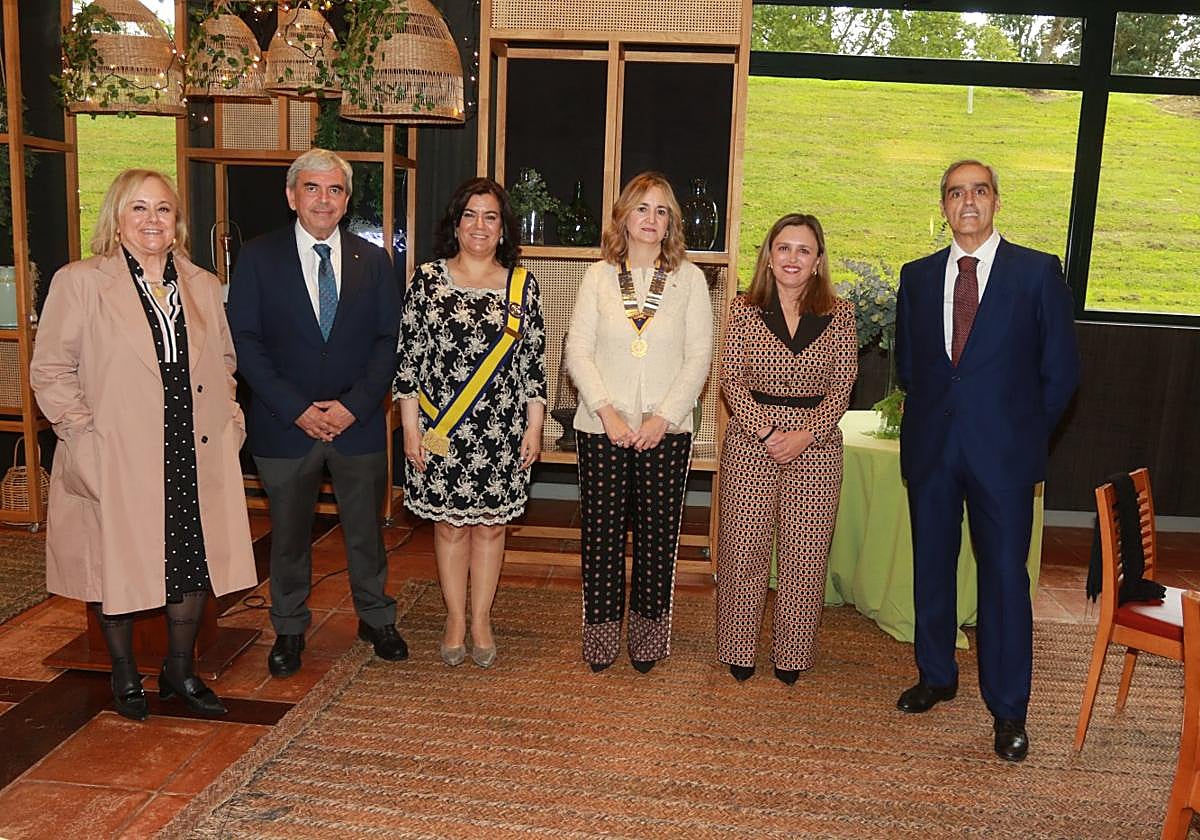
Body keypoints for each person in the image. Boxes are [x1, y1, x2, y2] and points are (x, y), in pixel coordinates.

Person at [30, 169, 256, 720]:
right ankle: (124, 671)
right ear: (116, 217)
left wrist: (228, 418)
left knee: (189, 558)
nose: (152, 220)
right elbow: (51, 370)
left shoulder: (202, 284)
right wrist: (83, 434)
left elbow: (225, 363)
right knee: (117, 561)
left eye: (163, 209)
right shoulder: (81, 281)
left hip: (191, 446)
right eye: (139, 208)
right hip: (117, 449)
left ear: (178, 220)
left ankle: (180, 672)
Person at [894, 159, 1080, 761]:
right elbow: (910, 369)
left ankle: (1008, 709)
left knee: (1004, 579)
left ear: (997, 201)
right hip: (932, 451)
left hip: (1004, 458)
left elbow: (1061, 374)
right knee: (932, 565)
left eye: (978, 191)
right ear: (943, 206)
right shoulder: (917, 277)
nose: (967, 202)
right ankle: (936, 675)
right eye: (955, 193)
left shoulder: (1035, 273)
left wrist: (1022, 437)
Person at [227, 147, 407, 678]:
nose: (323, 199)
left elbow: (389, 341)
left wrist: (353, 407)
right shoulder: (258, 258)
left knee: (366, 532)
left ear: (347, 201)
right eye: (312, 188)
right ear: (291, 196)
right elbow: (245, 342)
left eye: (334, 190)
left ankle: (376, 618)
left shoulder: (373, 261)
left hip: (358, 426)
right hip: (285, 426)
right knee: (287, 536)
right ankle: (288, 628)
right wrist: (298, 408)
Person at [564, 171, 713, 674]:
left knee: (657, 537)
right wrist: (606, 411)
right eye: (642, 208)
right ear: (624, 216)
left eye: (662, 210)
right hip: (601, 427)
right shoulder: (598, 276)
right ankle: (602, 634)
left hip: (665, 431)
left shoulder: (690, 279)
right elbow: (576, 352)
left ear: (672, 222)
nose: (651, 219)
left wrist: (662, 417)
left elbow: (699, 357)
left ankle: (649, 635)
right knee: (602, 536)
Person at [395, 177, 546, 669]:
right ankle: (454, 618)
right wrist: (411, 428)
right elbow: (409, 361)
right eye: (470, 215)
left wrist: (534, 426)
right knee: (450, 529)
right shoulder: (428, 279)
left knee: (491, 529)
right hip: (441, 429)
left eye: (491, 217)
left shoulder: (523, 286)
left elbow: (533, 366)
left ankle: (481, 618)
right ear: (455, 224)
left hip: (500, 432)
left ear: (503, 229)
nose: (479, 226)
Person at [715, 213, 857, 685]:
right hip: (752, 443)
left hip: (816, 448)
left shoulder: (840, 313)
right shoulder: (742, 310)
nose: (792, 258)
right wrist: (768, 433)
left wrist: (804, 434)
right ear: (769, 256)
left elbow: (843, 386)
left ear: (818, 261)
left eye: (803, 250)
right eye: (784, 248)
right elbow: (731, 379)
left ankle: (792, 656)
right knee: (743, 550)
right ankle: (738, 649)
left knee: (806, 554)